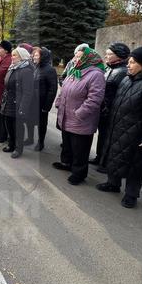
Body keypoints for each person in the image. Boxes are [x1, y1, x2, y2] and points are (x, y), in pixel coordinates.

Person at [96, 47, 142, 208]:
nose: (128, 65)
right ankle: (113, 184)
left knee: (135, 165)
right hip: (119, 127)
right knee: (116, 157)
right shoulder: (128, 78)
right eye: (128, 61)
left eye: (133, 62)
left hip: (138, 134)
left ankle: (131, 195)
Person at [53, 46, 106, 185]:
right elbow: (64, 88)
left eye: (79, 57)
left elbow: (95, 99)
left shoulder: (96, 74)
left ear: (88, 58)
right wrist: (59, 102)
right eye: (75, 56)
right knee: (68, 144)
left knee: (80, 149)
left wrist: (79, 113)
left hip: (80, 119)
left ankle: (79, 173)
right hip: (66, 115)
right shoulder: (75, 70)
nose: (75, 59)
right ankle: (66, 163)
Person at [89, 42, 131, 171]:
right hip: (104, 109)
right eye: (106, 53)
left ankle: (106, 162)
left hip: (113, 110)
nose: (106, 56)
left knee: (110, 138)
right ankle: (100, 156)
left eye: (109, 54)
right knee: (102, 135)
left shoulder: (123, 72)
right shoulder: (109, 68)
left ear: (119, 56)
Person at [1, 47, 34, 159]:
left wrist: (22, 108)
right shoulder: (13, 68)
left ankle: (18, 148)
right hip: (8, 102)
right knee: (9, 125)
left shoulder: (27, 71)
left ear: (22, 57)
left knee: (18, 127)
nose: (12, 57)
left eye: (15, 55)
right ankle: (11, 144)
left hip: (18, 103)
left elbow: (28, 92)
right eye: (12, 55)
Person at [31, 47, 58, 152]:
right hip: (33, 101)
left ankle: (40, 142)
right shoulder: (36, 67)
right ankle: (30, 138)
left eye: (37, 55)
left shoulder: (50, 70)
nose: (34, 57)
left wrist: (47, 106)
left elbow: (52, 89)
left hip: (42, 103)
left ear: (43, 57)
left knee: (42, 123)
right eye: (34, 55)